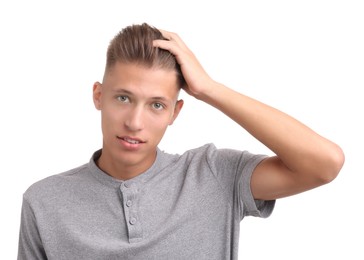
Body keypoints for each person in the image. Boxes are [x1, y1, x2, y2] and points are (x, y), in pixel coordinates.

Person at [17, 23, 345, 260]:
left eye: (156, 105)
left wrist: (209, 89)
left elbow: (324, 163)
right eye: (123, 98)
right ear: (98, 96)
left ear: (175, 112)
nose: (134, 122)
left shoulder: (213, 176)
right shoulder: (45, 202)